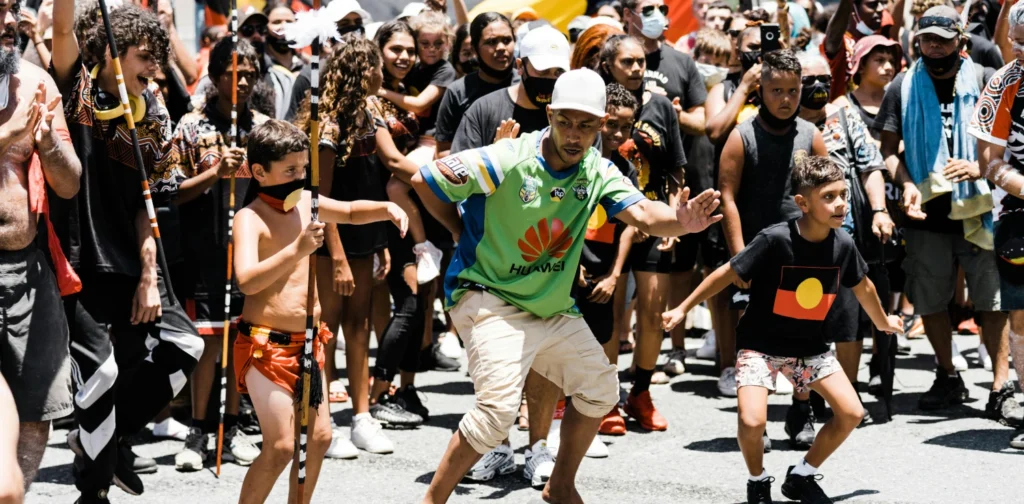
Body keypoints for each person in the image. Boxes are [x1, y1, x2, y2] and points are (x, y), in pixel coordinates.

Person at [413, 67, 722, 504]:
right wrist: (458, 230)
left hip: (551, 307)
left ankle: (560, 486)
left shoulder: (598, 169)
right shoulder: (509, 156)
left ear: (601, 125)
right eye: (566, 122)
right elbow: (424, 179)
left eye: (587, 125)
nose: (575, 135)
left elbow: (646, 216)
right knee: (496, 414)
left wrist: (681, 221)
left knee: (600, 392)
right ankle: (432, 500)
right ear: (550, 114)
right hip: (487, 297)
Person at [663, 156, 902, 504]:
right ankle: (758, 480)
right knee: (752, 421)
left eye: (843, 195)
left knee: (851, 413)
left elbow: (863, 287)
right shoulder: (775, 239)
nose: (840, 204)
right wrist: (683, 308)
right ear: (803, 203)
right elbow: (727, 272)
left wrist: (883, 322)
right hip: (760, 344)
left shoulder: (843, 245)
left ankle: (802, 475)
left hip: (808, 348)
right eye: (829, 197)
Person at [52, 1, 206, 500]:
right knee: (101, 374)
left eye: (158, 60)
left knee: (186, 347)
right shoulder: (75, 89)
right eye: (145, 57)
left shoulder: (150, 116)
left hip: (131, 259)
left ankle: (103, 438)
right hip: (78, 261)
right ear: (111, 54)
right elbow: (61, 24)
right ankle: (93, 491)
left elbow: (150, 204)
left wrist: (147, 276)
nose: (154, 70)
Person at [231, 119, 407, 504]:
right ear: (260, 172)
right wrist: (297, 249)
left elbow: (346, 210)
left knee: (321, 437)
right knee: (280, 446)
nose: (300, 177)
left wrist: (386, 208)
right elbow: (246, 280)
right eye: (290, 170)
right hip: (266, 347)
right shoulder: (251, 217)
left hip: (309, 344)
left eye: (303, 169)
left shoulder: (308, 204)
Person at [876, 6, 1020, 423]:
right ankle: (947, 374)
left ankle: (1000, 386)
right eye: (926, 40)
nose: (934, 48)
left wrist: (981, 167)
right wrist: (903, 182)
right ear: (916, 41)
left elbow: (1009, 144)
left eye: (942, 40)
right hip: (927, 213)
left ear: (962, 41)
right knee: (930, 299)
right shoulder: (902, 86)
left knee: (993, 302)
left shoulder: (986, 80)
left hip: (982, 208)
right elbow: (887, 150)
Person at [447, 24, 573, 488]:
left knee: (544, 359)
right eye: (542, 73)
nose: (550, 83)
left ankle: (538, 447)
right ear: (521, 66)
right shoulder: (486, 109)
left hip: (549, 257)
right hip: (490, 259)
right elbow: (452, 177)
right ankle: (496, 446)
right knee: (494, 361)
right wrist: (494, 154)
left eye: (559, 74)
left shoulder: (570, 114)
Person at [163, 38, 266, 472]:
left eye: (249, 72)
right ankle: (199, 429)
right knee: (208, 341)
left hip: (251, 250)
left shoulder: (263, 128)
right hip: (204, 248)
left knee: (242, 338)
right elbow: (170, 193)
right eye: (232, 72)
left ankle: (235, 424)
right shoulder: (191, 125)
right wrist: (213, 173)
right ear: (215, 75)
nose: (241, 80)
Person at [0, 0, 80, 494]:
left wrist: (48, 145)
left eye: (10, 9)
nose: (9, 21)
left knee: (37, 409)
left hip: (27, 273)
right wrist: (7, 135)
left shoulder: (36, 83)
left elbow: (70, 184)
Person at [718, 49, 828, 406]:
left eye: (793, 91)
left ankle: (802, 408)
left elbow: (824, 193)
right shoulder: (742, 136)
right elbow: (727, 196)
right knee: (755, 337)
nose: (785, 99)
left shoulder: (810, 135)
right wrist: (739, 257)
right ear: (760, 92)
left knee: (805, 335)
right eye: (776, 91)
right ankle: (756, 414)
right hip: (757, 251)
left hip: (802, 252)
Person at [797, 52, 893, 434]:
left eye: (824, 78)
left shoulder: (844, 116)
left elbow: (870, 166)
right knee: (805, 324)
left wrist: (880, 210)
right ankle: (806, 402)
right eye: (809, 80)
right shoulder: (788, 125)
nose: (818, 87)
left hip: (848, 237)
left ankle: (846, 396)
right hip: (802, 242)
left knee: (849, 323)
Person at [597, 34, 689, 428]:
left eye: (640, 61)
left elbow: (674, 166)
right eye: (627, 62)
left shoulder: (662, 107)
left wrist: (672, 216)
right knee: (610, 314)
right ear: (608, 65)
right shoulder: (598, 103)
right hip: (607, 221)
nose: (636, 68)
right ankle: (604, 399)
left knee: (653, 313)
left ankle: (641, 392)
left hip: (650, 219)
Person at [968, 2, 1024, 449]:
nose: (1022, 53)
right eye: (1018, 43)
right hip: (1018, 216)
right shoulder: (1004, 82)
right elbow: (988, 160)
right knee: (1022, 315)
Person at [433, 12, 515, 159]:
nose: (501, 47)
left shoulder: (526, 85)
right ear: (475, 48)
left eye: (507, 40)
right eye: (491, 42)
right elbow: (442, 152)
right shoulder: (457, 92)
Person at [284, 0, 370, 121]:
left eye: (357, 22)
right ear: (329, 32)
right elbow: (292, 123)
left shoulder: (373, 69)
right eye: (345, 24)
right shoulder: (311, 75)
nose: (353, 30)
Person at [821, 0, 897, 101]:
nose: (880, 9)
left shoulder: (884, 42)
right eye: (872, 5)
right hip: (844, 112)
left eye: (883, 3)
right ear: (853, 9)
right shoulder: (843, 44)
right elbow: (832, 41)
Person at [834, 35, 901, 143]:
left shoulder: (899, 103)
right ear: (861, 66)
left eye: (892, 61)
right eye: (880, 60)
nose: (889, 67)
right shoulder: (843, 106)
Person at [263, 1, 303, 121]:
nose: (284, 27)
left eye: (289, 22)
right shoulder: (260, 68)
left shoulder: (308, 66)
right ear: (265, 28)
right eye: (276, 22)